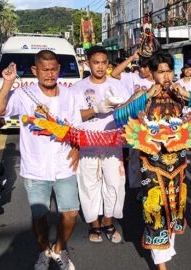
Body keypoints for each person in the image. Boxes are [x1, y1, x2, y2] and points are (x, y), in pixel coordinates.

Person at [113, 51, 191, 270]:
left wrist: (189, 97)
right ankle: (162, 263)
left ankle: (167, 249)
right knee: (155, 211)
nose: (166, 76)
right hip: (151, 164)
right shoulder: (142, 93)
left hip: (178, 164)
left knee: (175, 208)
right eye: (161, 72)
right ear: (152, 73)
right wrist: (146, 96)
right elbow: (119, 118)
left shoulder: (180, 94)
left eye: (169, 71)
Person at [0, 50, 80, 270]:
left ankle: (59, 249)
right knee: (39, 216)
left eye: (53, 70)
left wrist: (77, 148)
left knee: (70, 213)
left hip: (64, 165)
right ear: (35, 71)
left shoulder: (71, 95)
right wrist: (8, 82)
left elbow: (76, 126)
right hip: (35, 169)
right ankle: (44, 251)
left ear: (58, 69)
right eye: (44, 70)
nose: (49, 75)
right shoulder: (24, 95)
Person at [69, 45, 130, 243]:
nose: (101, 67)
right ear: (88, 64)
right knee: (89, 185)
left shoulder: (117, 85)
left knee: (115, 183)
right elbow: (73, 117)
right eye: (96, 62)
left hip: (113, 142)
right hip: (88, 142)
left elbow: (129, 110)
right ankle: (94, 224)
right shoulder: (78, 88)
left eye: (104, 62)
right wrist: (96, 109)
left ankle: (108, 221)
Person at [111, 50, 155, 189]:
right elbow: (114, 74)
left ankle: (152, 185)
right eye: (140, 66)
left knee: (152, 157)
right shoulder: (133, 78)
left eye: (145, 67)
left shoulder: (158, 81)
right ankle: (136, 187)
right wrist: (131, 57)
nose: (142, 69)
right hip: (135, 124)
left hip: (154, 125)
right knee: (135, 157)